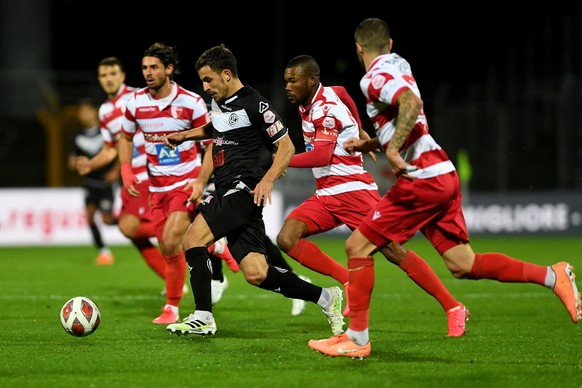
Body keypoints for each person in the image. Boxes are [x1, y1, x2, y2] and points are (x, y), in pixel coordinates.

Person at [308, 17, 582, 360]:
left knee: (357, 246)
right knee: (462, 264)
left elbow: (411, 105)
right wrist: (373, 144)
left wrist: (392, 150)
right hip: (442, 172)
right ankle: (551, 276)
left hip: (421, 178)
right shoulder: (400, 63)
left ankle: (358, 338)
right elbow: (409, 114)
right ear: (390, 44)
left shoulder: (372, 78)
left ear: (358, 48)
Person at [163, 44, 344, 337]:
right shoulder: (219, 102)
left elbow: (286, 146)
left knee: (193, 239)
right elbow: (217, 127)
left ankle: (203, 315)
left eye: (209, 80)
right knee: (257, 272)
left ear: (226, 74)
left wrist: (268, 179)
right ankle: (326, 297)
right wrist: (186, 135)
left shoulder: (255, 104)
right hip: (226, 188)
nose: (205, 86)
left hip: (242, 189)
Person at [278, 55, 467, 334]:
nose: (287, 87)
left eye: (293, 81)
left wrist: (280, 160)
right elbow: (343, 92)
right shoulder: (324, 95)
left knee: (392, 251)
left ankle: (453, 306)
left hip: (353, 191)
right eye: (286, 81)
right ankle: (346, 279)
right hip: (327, 193)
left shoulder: (324, 108)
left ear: (311, 80)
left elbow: (321, 155)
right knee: (287, 237)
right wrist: (358, 128)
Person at [117, 42, 214, 324]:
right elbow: (125, 137)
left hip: (184, 184)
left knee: (172, 240)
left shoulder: (191, 103)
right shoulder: (135, 103)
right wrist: (126, 170)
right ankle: (214, 247)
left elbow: (211, 145)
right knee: (167, 246)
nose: (148, 72)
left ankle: (171, 308)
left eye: (154, 67)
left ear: (169, 69)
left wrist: (200, 181)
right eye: (145, 67)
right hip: (156, 187)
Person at [68, 98, 118, 265]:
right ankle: (104, 251)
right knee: (89, 217)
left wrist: (115, 171)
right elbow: (73, 158)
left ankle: (131, 219)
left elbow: (118, 151)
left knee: (106, 219)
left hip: (106, 182)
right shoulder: (78, 136)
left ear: (94, 111)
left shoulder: (105, 132)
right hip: (90, 182)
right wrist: (75, 162)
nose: (84, 115)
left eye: (86, 111)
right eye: (81, 112)